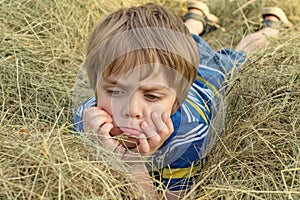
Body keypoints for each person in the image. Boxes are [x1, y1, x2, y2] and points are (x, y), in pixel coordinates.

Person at [73, 1, 292, 199]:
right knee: (185, 38)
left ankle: (270, 29)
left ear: (177, 102)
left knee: (240, 56)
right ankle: (196, 21)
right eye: (115, 91)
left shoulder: (188, 135)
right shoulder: (89, 118)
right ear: (96, 88)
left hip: (210, 75)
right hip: (172, 63)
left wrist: (134, 167)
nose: (131, 111)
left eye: (150, 96)